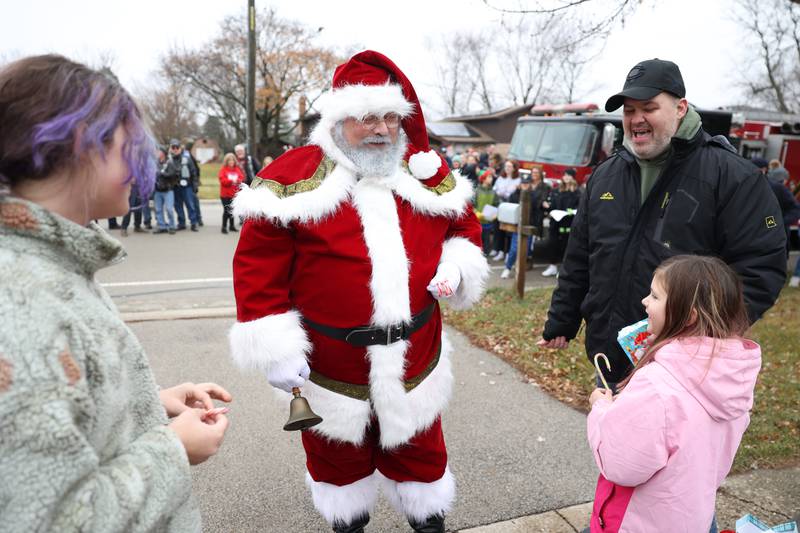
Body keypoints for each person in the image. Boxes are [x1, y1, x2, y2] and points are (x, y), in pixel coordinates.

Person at [228, 50, 489, 533]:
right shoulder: (291, 179)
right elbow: (256, 271)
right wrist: (276, 349)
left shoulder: (423, 170)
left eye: (391, 116)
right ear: (339, 117)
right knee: (338, 470)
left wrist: (456, 265)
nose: (382, 129)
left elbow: (464, 229)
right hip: (330, 368)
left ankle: (429, 524)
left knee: (422, 461)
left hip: (416, 360)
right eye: (368, 116)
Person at [0, 54, 231, 531]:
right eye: (132, 142)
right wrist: (173, 449)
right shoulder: (19, 302)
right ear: (86, 143)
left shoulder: (52, 261)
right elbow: (49, 519)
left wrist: (147, 399)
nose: (141, 157)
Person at [538, 58, 785, 390]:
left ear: (681, 108)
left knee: (673, 443)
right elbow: (581, 256)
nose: (636, 119)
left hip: (685, 368)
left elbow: (760, 268)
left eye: (649, 108)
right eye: (628, 110)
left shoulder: (731, 176)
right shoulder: (605, 176)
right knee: (611, 439)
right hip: (611, 356)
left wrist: (707, 336)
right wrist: (562, 321)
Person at [585, 255, 760, 533]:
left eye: (655, 296)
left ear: (687, 316)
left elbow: (621, 465)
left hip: (639, 521)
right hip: (693, 518)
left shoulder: (656, 385)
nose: (645, 301)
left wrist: (602, 409)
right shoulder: (732, 377)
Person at [500, 168, 549, 279]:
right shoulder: (514, 195)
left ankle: (519, 270)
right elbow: (509, 208)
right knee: (513, 249)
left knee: (525, 251)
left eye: (527, 184)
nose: (525, 186)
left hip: (528, 226)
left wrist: (543, 205)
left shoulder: (534, 195)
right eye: (523, 184)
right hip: (517, 226)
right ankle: (507, 268)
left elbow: (538, 209)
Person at [541, 169, 581, 277]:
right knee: (552, 244)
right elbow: (552, 205)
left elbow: (580, 207)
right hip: (555, 223)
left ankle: (563, 268)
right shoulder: (556, 190)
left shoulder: (577, 192)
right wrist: (548, 207)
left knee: (566, 246)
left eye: (569, 175)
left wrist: (571, 211)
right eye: (565, 175)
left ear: (573, 177)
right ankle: (552, 266)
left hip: (568, 223)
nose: (566, 177)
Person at [489, 160, 521, 262]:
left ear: (514, 168)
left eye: (510, 166)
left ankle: (507, 252)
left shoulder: (518, 180)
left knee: (509, 231)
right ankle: (499, 250)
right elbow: (495, 189)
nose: (507, 168)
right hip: (499, 206)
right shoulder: (500, 178)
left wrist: (503, 192)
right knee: (498, 229)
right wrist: (503, 192)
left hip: (510, 208)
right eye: (506, 166)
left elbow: (511, 193)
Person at [170, 139, 200, 232]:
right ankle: (181, 223)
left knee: (190, 205)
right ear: (170, 148)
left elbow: (193, 172)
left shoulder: (187, 158)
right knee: (178, 206)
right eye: (173, 147)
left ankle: (193, 223)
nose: (175, 149)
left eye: (177, 147)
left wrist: (195, 185)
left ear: (180, 148)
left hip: (187, 186)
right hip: (175, 186)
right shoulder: (169, 159)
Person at [153, 147, 179, 234]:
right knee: (158, 209)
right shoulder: (155, 163)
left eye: (158, 151)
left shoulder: (169, 163)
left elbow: (173, 174)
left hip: (168, 190)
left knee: (169, 209)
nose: (156, 152)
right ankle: (161, 226)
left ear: (163, 153)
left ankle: (172, 226)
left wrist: (163, 173)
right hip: (158, 190)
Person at [218, 152, 244, 234]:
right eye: (229, 160)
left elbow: (241, 178)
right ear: (226, 161)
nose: (231, 162)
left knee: (232, 210)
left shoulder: (237, 169)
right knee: (226, 210)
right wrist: (231, 181)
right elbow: (222, 181)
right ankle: (224, 227)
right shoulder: (223, 169)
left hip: (234, 194)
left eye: (232, 160)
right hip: (225, 195)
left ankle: (232, 226)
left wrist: (238, 181)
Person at [474, 168, 498, 255]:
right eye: (489, 177)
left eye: (491, 177)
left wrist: (496, 213)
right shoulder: (477, 191)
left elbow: (496, 204)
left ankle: (486, 253)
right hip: (477, 220)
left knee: (487, 238)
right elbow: (472, 204)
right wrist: (476, 212)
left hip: (488, 220)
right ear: (483, 179)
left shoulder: (493, 192)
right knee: (478, 238)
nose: (491, 179)